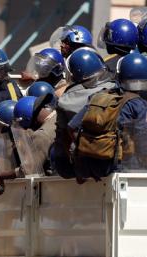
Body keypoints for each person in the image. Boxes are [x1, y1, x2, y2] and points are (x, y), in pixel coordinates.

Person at [68, 53, 147, 181]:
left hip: (91, 170)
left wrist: (90, 151)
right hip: (121, 170)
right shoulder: (139, 105)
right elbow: (144, 147)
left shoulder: (99, 97)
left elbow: (72, 127)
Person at [54, 47, 115, 178]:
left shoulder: (65, 100)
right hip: (113, 157)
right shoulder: (114, 88)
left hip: (84, 162)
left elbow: (63, 137)